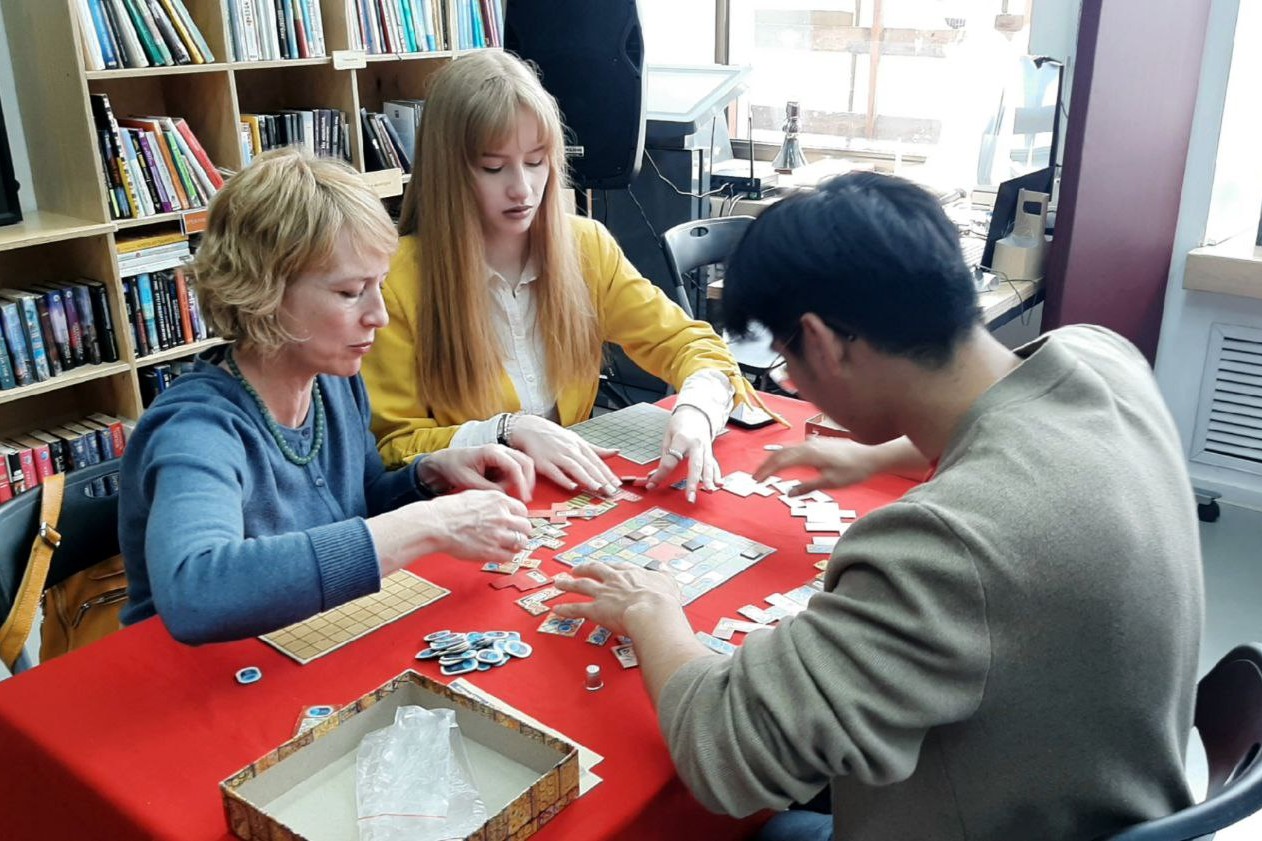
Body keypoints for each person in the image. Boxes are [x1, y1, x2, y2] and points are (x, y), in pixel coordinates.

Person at [552, 172, 1205, 840]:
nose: (791, 383)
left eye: (786, 362)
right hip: (1115, 800)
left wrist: (652, 610)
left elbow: (726, 757)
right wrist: (879, 456)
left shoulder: (941, 544)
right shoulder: (1105, 356)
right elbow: (1012, 423)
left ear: (824, 343)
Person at [119, 148, 536, 645]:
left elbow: (359, 504)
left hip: (306, 643)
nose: (379, 315)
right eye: (350, 292)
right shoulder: (196, 430)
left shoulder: (332, 381)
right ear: (264, 292)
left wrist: (427, 475)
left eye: (379, 285)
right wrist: (429, 523)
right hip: (192, 672)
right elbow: (197, 594)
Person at [362, 50, 771, 504]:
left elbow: (690, 344)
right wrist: (507, 431)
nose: (522, 189)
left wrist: (695, 411)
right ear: (448, 172)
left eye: (536, 161)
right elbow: (394, 450)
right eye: (493, 167)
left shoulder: (585, 246)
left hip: (569, 501)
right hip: (470, 511)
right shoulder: (395, 282)